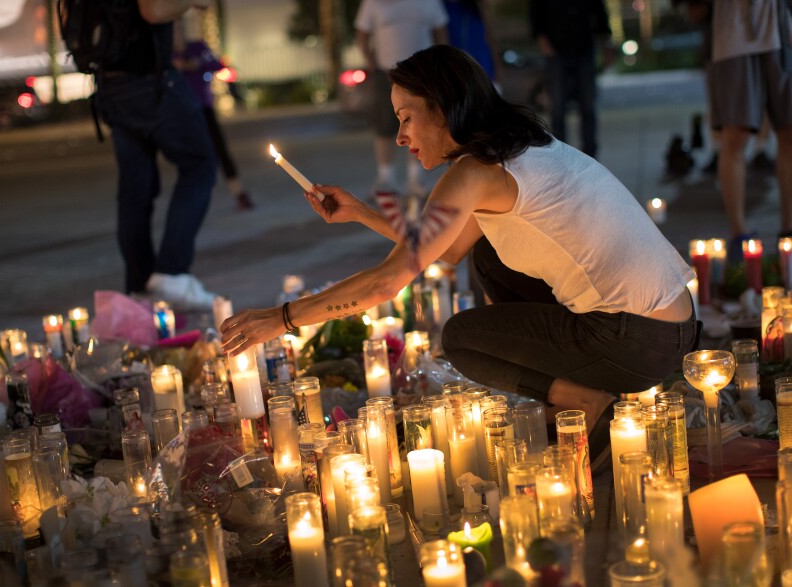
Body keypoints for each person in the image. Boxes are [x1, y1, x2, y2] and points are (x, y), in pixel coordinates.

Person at [220, 46, 698, 464]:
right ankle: (581, 385)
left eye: (407, 118)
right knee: (487, 254)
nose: (401, 136)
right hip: (671, 329)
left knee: (462, 338)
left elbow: (387, 283)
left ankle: (584, 401)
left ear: (444, 109)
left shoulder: (472, 173)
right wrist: (362, 213)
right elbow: (447, 249)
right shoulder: (521, 148)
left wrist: (283, 318)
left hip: (632, 340)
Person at [95, 0, 218, 310]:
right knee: (200, 165)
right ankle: (172, 272)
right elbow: (153, 10)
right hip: (151, 79)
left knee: (135, 190)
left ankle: (139, 288)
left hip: (111, 83)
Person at [709, 0, 792, 248]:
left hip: (783, 25)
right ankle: (739, 234)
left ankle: (788, 232)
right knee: (735, 135)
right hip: (734, 30)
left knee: (789, 132)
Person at [354, 0, 449, 196]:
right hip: (386, 71)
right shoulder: (373, 2)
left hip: (422, 73)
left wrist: (439, 64)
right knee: (385, 124)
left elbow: (441, 32)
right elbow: (362, 34)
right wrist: (371, 63)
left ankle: (416, 178)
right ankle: (386, 178)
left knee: (419, 123)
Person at [173, 12, 254, 212]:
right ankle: (192, 203)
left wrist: (197, 64)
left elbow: (218, 64)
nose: (178, 32)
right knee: (191, 157)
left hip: (204, 109)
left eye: (180, 27)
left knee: (220, 150)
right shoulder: (167, 55)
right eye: (173, 29)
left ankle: (239, 192)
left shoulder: (197, 48)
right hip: (182, 114)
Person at [529, 0, 612, 158]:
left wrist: (606, 42)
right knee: (558, 108)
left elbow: (599, 12)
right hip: (556, 50)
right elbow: (535, 12)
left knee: (588, 105)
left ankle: (590, 154)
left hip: (584, 47)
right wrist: (542, 39)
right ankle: (561, 155)